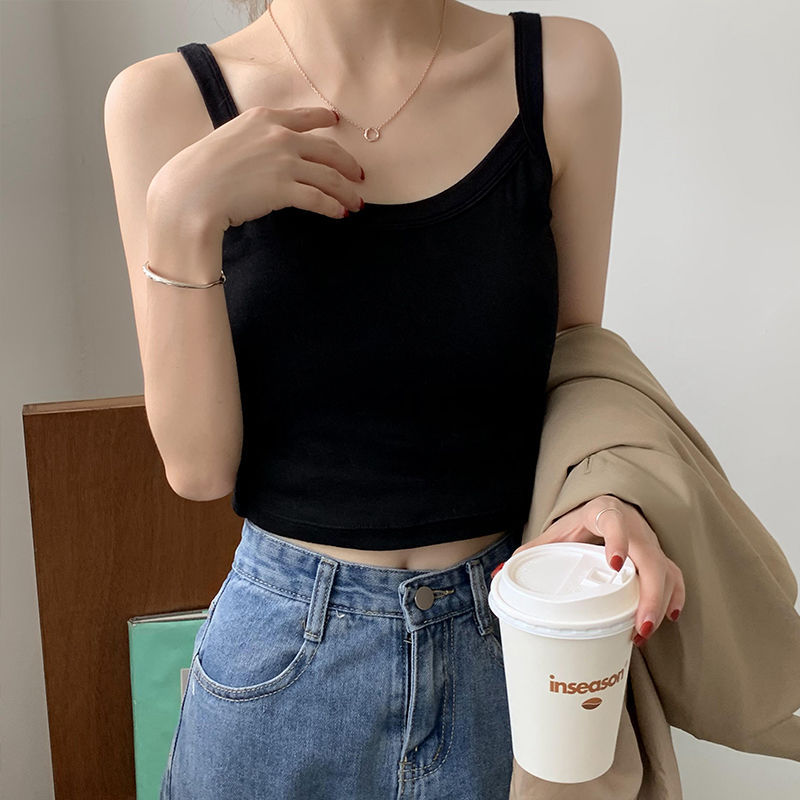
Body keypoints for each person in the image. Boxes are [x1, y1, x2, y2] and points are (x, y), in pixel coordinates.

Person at [104, 1, 684, 797]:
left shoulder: (562, 69)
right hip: (281, 667)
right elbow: (199, 468)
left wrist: (605, 492)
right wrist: (180, 215)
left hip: (515, 646)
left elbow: (579, 365)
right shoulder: (163, 101)